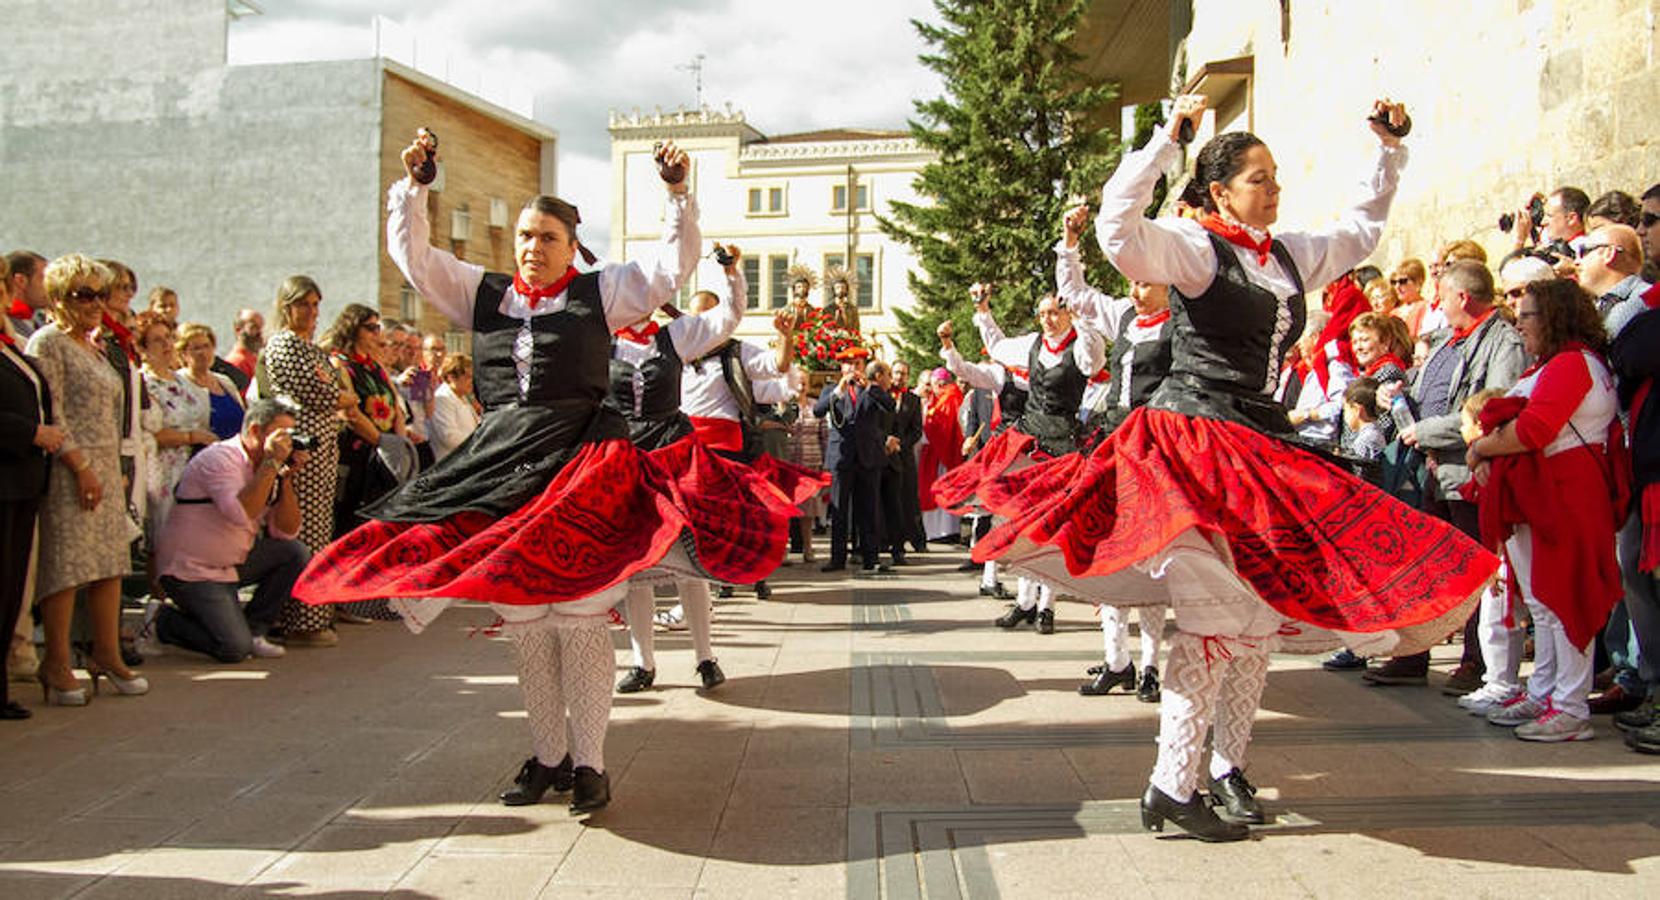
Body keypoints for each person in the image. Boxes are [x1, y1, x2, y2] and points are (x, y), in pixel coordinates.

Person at [974, 95, 1494, 841]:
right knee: (1218, 622)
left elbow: (1360, 231)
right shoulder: (1194, 247)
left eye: (1275, 176)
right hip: (1190, 449)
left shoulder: (1286, 255)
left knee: (1252, 626)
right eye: (1258, 178)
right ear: (1220, 191)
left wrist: (1387, 151)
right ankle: (1171, 784)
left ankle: (1223, 770)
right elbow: (1120, 231)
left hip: (1259, 446)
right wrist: (1166, 142)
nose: (1273, 189)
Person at [295, 133, 722, 815]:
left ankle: (591, 764)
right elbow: (415, 259)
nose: (532, 247)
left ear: (569, 242)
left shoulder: (601, 292)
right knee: (527, 623)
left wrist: (676, 195)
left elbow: (671, 270)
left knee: (578, 619)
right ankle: (548, 757)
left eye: (547, 236)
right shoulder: (483, 294)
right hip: (505, 467)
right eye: (525, 235)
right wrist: (417, 190)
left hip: (581, 467)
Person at [1469, 279, 1621, 741]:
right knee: (1542, 600)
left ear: (1555, 317)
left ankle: (1570, 706)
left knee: (1564, 597)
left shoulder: (1573, 363)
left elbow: (1533, 430)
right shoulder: (1557, 364)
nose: (1520, 322)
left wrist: (1481, 448)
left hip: (1567, 492)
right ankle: (1546, 690)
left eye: (1529, 314)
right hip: (1546, 493)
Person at [935, 283, 1105, 634]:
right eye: (1043, 314)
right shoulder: (1031, 345)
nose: (1048, 320)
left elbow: (1093, 361)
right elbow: (996, 346)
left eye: (1054, 313)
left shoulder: (1081, 346)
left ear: (1067, 313)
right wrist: (983, 311)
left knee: (1053, 525)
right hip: (1030, 440)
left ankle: (1047, 605)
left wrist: (1082, 317)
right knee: (1022, 521)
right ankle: (1026, 601)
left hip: (1062, 446)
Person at [26, 254, 147, 705]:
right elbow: (51, 410)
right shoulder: (48, 343)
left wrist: (110, 467)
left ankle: (106, 653)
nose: (97, 302)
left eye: (100, 293)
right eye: (84, 294)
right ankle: (56, 662)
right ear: (59, 298)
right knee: (68, 567)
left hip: (105, 466)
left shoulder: (91, 344)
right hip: (67, 468)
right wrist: (80, 465)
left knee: (110, 565)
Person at [147, 398, 312, 662]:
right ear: (256, 431)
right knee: (233, 648)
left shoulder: (268, 466)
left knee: (294, 552)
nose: (288, 443)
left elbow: (286, 531)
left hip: (232, 565)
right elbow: (239, 513)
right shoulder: (221, 458)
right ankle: (161, 622)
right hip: (191, 570)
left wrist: (286, 476)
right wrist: (271, 465)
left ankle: (255, 631)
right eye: (282, 434)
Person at [255, 275, 348, 649]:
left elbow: (340, 389)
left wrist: (339, 393)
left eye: (315, 305)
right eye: (303, 305)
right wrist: (339, 394)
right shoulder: (284, 346)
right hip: (301, 453)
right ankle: (300, 618)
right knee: (302, 532)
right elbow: (325, 392)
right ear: (286, 306)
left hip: (323, 452)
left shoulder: (313, 349)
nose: (311, 313)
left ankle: (314, 612)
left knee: (319, 533)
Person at [0, 285, 62, 719]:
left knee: (10, 589)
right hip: (5, 478)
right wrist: (30, 433)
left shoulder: (10, 347)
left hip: (22, 482)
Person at [883, 360, 925, 561]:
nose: (899, 377)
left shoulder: (913, 400)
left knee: (904, 503)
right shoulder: (881, 396)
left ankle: (900, 546)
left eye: (903, 373)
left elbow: (917, 430)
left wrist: (901, 445)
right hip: (883, 456)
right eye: (896, 373)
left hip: (904, 458)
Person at [177, 322, 246, 440]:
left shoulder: (225, 381)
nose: (203, 352)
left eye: (207, 346)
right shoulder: (179, 382)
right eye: (196, 348)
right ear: (183, 354)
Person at [918, 367, 964, 544]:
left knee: (941, 492)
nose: (934, 389)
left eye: (935, 385)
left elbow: (942, 426)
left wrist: (929, 420)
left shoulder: (949, 397)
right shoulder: (941, 398)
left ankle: (944, 532)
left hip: (941, 453)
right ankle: (938, 532)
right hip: (936, 453)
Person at [428, 353, 480, 461]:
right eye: (468, 377)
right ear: (451, 377)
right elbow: (449, 436)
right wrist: (478, 442)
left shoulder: (463, 397)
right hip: (451, 461)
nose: (472, 381)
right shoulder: (442, 398)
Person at [6, 251, 50, 341]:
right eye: (46, 279)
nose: (51, 287)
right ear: (21, 281)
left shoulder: (42, 319)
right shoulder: (5, 324)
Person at [221, 307, 263, 394]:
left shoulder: (255, 359)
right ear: (238, 330)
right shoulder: (237, 363)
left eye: (261, 327)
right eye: (254, 327)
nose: (260, 333)